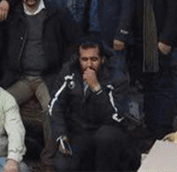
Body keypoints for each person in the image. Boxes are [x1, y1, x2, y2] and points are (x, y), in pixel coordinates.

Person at [2, 0, 78, 171]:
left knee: (52, 110)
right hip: (21, 77)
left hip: (48, 76)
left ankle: (48, 161)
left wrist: (64, 69)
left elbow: (74, 43)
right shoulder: (14, 16)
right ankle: (5, 155)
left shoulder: (56, 13)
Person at [48, 40, 136, 172]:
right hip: (80, 132)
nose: (89, 64)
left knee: (105, 137)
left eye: (94, 59)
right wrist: (61, 134)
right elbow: (55, 105)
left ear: (102, 59)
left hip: (108, 133)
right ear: (79, 59)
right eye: (84, 59)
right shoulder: (70, 71)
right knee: (62, 165)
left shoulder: (116, 77)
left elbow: (117, 117)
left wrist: (96, 89)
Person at [128, 0, 177, 141]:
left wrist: (166, 39)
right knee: (147, 88)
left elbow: (175, 8)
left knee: (162, 89)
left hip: (159, 42)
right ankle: (150, 133)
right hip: (139, 42)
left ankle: (163, 133)